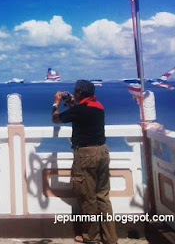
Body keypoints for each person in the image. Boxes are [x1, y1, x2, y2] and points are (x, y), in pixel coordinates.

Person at [52, 80, 118, 244]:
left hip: (86, 155)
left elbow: (56, 119)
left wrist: (56, 103)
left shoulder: (80, 110)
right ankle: (110, 238)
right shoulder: (98, 107)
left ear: (80, 93)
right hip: (102, 151)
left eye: (75, 91)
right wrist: (71, 103)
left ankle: (91, 237)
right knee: (102, 196)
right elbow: (79, 113)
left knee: (87, 197)